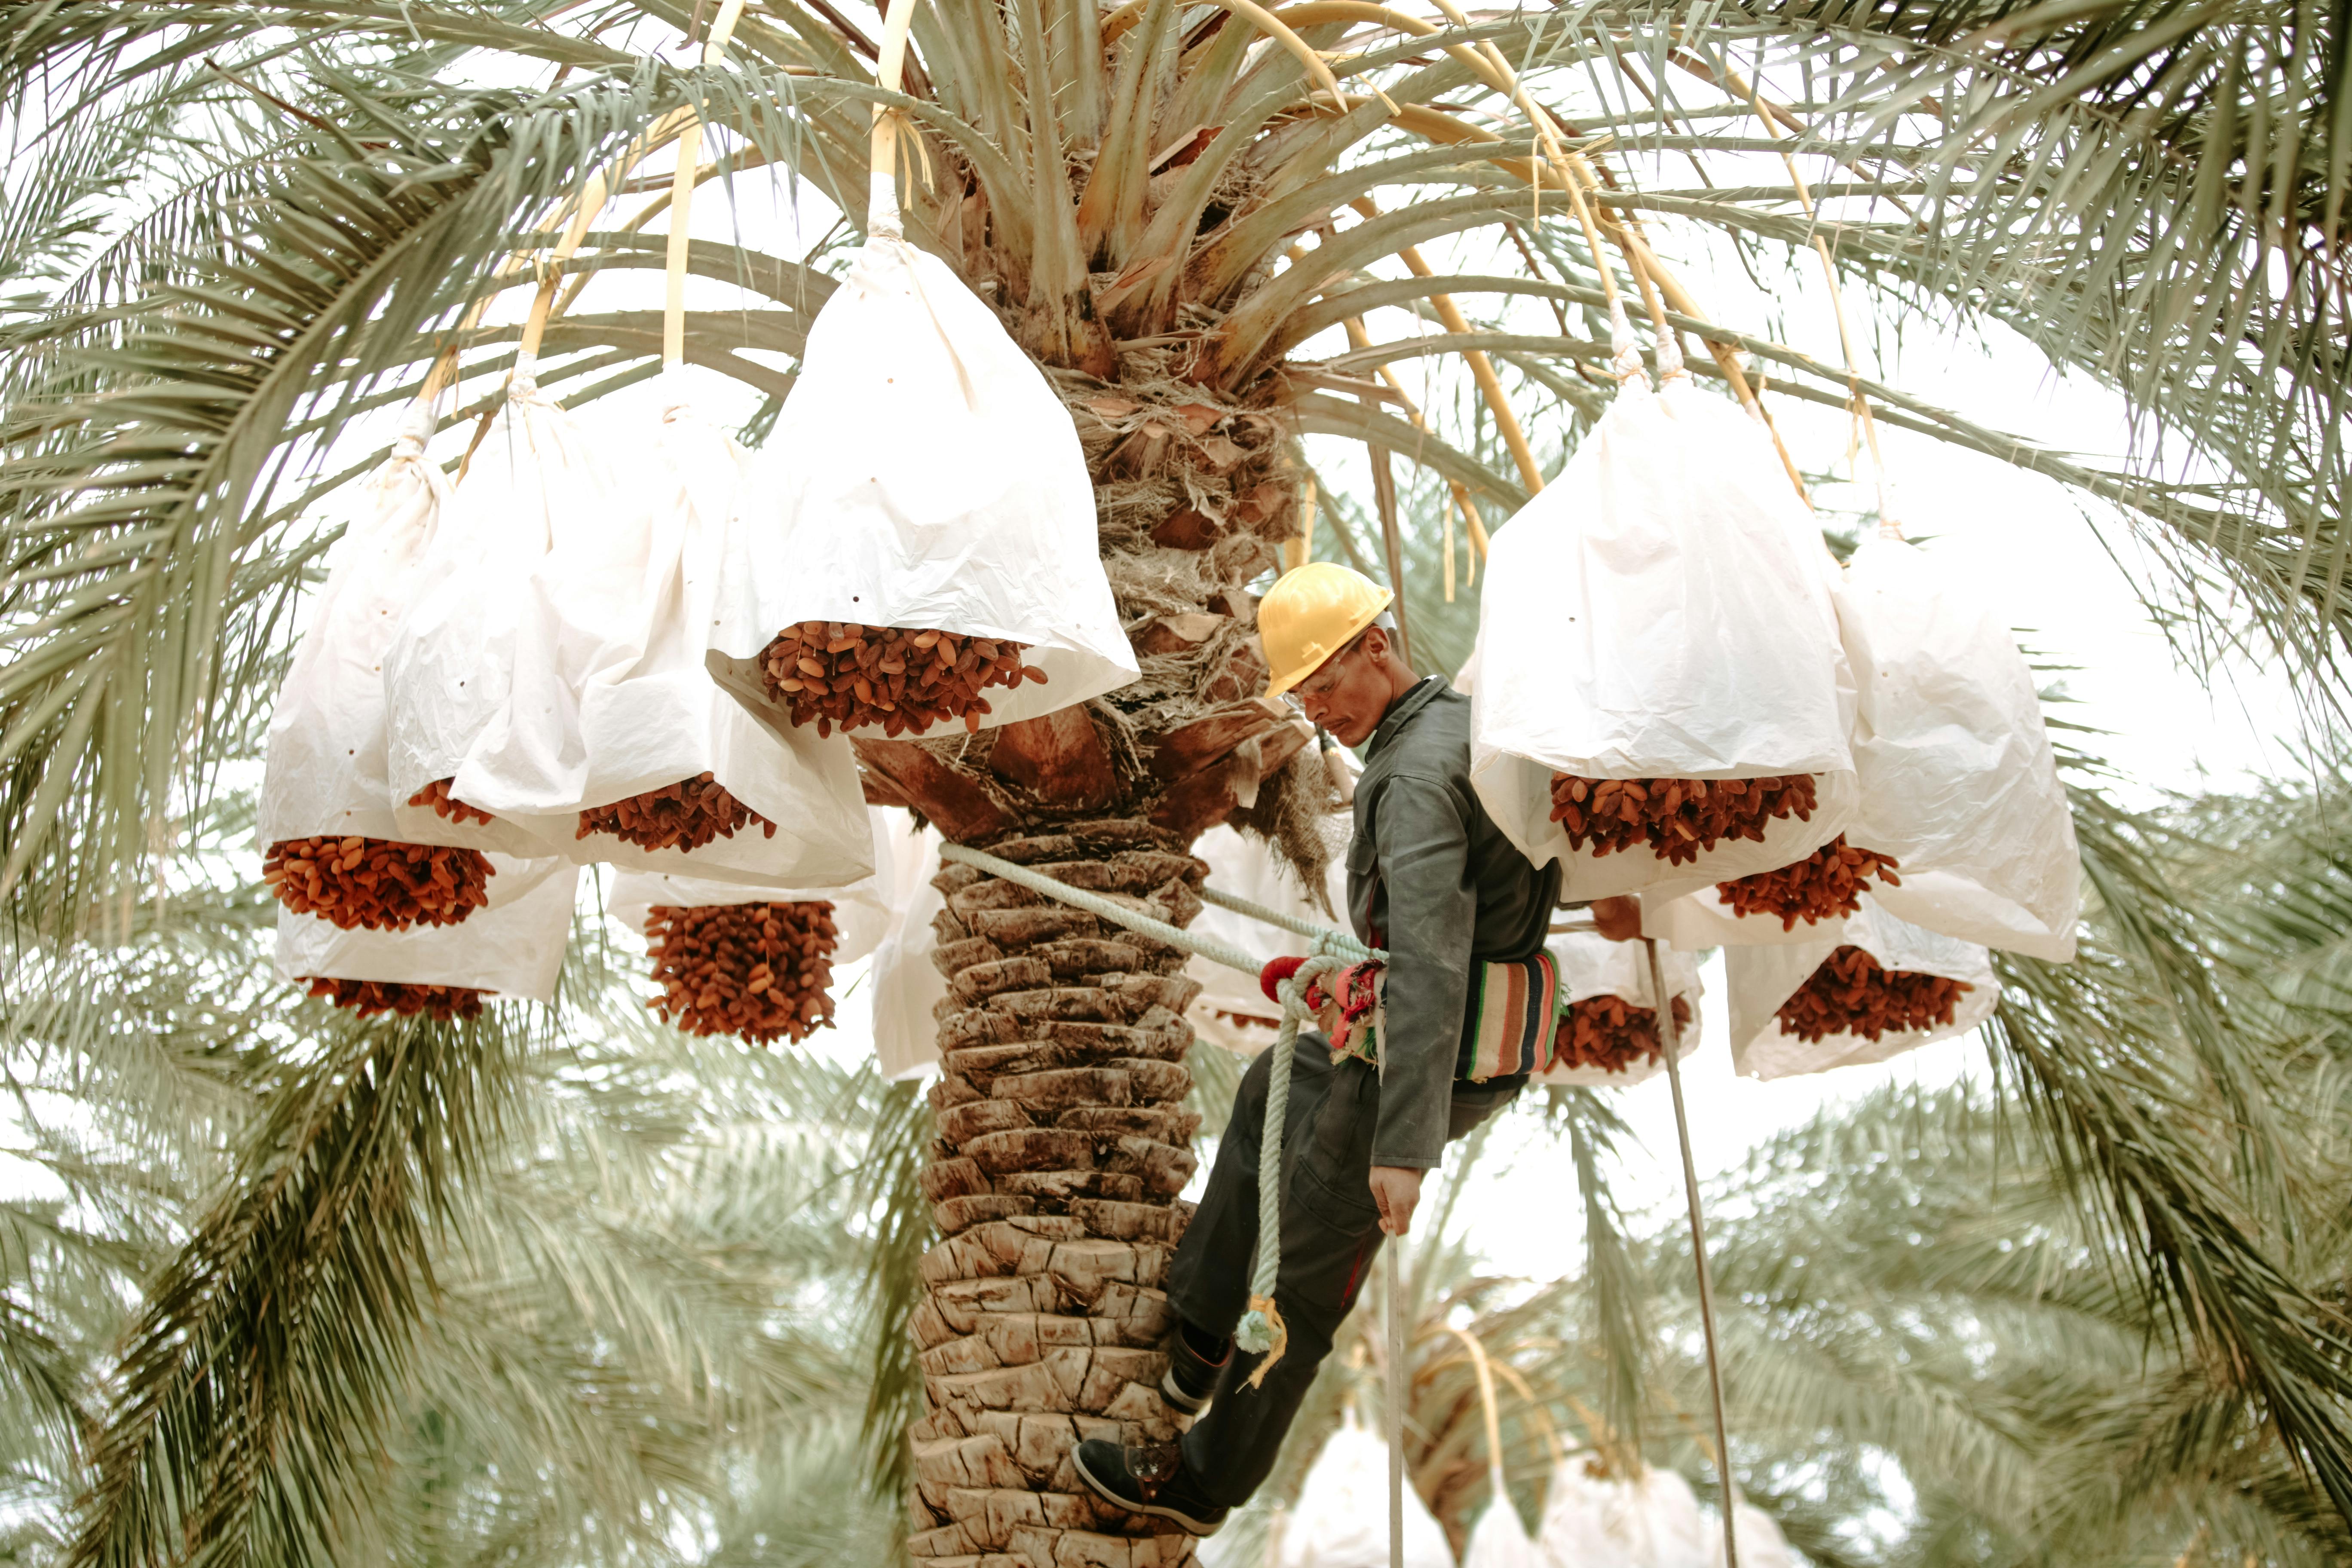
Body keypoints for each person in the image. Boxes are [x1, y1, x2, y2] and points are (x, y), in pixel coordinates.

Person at [1074, 563, 1636, 1534]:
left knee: (1306, 1281)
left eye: (1326, 682)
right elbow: (1502, 873)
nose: (1318, 708)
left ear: (1377, 644)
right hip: (1425, 1029)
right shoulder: (1453, 733)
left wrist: (1402, 1151)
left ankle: (1203, 1484)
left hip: (1426, 1050)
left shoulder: (1414, 775)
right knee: (1267, 1089)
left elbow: (1426, 965)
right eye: (1302, 693)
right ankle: (1205, 1330)